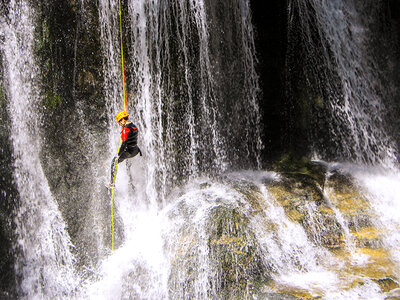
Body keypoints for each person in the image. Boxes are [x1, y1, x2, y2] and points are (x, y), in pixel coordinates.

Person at [110, 110, 142, 185]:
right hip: (136, 150)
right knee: (127, 162)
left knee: (114, 162)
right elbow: (131, 136)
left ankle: (112, 183)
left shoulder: (125, 130)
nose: (120, 124)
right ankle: (130, 180)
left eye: (119, 122)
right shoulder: (134, 126)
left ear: (123, 120)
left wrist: (118, 154)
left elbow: (124, 143)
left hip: (129, 152)